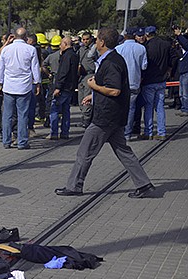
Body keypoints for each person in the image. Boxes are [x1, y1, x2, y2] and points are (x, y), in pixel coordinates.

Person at [55, 28, 155, 199]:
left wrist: (94, 87)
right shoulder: (111, 59)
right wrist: (93, 96)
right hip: (114, 115)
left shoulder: (111, 62)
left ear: (101, 42)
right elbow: (111, 87)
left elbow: (114, 90)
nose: (95, 42)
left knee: (84, 151)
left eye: (96, 39)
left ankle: (74, 186)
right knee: (123, 151)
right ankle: (144, 184)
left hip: (105, 117)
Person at [0, 27, 41, 150]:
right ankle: (22, 141)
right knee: (23, 115)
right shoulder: (31, 49)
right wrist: (37, 83)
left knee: (7, 115)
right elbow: (35, 68)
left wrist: (0, 83)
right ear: (26, 36)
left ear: (14, 36)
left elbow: (1, 68)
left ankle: (6, 141)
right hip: (24, 86)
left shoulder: (6, 50)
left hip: (9, 86)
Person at [115, 28, 148, 140]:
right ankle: (127, 134)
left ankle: (118, 132)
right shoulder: (141, 48)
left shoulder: (118, 49)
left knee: (119, 108)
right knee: (131, 109)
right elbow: (144, 66)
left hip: (120, 83)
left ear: (124, 36)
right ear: (134, 36)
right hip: (134, 82)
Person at [141, 26, 173, 139]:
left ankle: (148, 132)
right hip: (161, 80)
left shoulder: (146, 47)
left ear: (147, 35)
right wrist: (169, 69)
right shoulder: (166, 45)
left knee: (148, 107)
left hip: (149, 81)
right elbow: (173, 58)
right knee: (160, 107)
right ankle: (161, 132)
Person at [48, 36, 78, 140]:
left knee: (54, 109)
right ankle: (65, 132)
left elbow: (63, 72)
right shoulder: (74, 55)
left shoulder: (67, 56)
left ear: (65, 44)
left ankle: (54, 133)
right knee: (66, 110)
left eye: (61, 44)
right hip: (70, 88)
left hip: (63, 88)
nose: (60, 46)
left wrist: (58, 87)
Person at [78, 32, 98, 128]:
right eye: (84, 39)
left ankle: (87, 119)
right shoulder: (81, 49)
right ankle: (84, 117)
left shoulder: (94, 49)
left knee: (87, 98)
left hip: (90, 75)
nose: (85, 41)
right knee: (81, 98)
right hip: (82, 76)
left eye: (87, 39)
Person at [174, 26, 188, 116]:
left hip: (186, 71)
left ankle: (186, 109)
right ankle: (183, 107)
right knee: (181, 92)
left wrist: (179, 35)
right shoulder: (181, 49)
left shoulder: (186, 47)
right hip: (182, 71)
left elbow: (186, 44)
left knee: (186, 92)